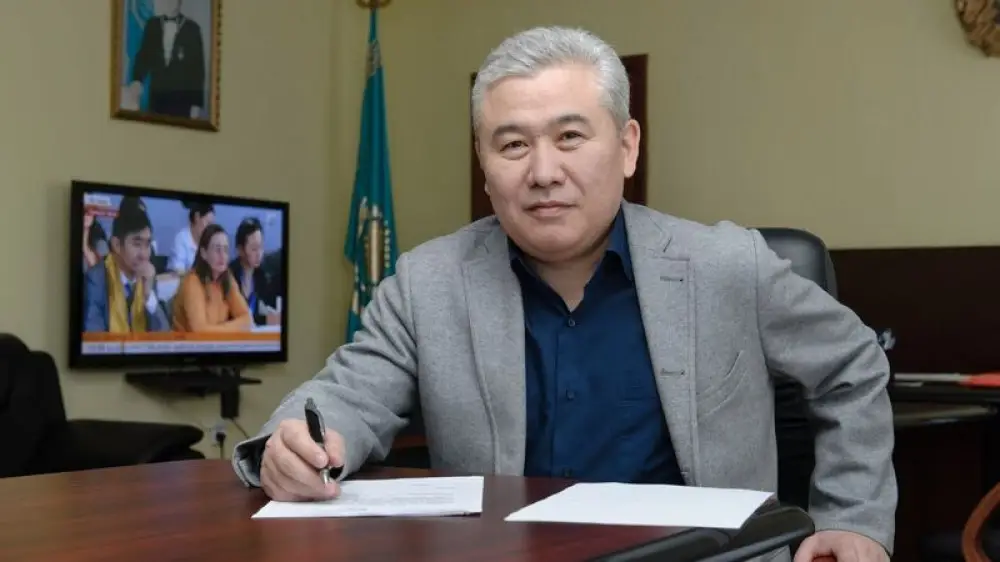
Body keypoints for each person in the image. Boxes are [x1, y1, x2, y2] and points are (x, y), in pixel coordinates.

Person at [232, 26, 896, 562]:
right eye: (512, 145)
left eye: (570, 137)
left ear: (627, 147)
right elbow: (347, 397)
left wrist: (854, 518)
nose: (544, 172)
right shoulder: (428, 283)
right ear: (484, 166)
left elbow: (853, 363)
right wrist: (292, 449)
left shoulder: (727, 266)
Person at [83, 196, 169, 333]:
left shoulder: (148, 277)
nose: (144, 254)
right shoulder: (96, 278)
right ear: (117, 245)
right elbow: (94, 337)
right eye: (137, 244)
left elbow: (164, 336)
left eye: (147, 245)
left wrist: (149, 296)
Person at [125, 0, 206, 119]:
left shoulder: (193, 29)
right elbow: (143, 57)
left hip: (182, 101)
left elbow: (198, 70)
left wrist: (196, 104)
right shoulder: (152, 25)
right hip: (156, 98)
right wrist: (137, 80)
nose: (169, 3)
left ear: (180, 2)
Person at [171, 224, 252, 333]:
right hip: (186, 343)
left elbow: (247, 319)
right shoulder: (192, 282)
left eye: (225, 250)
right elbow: (200, 331)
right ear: (204, 253)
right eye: (217, 250)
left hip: (218, 342)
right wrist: (234, 327)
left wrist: (221, 329)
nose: (222, 256)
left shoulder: (227, 278)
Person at [229, 217, 281, 327]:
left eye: (261, 247)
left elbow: (255, 315)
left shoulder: (261, 276)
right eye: (253, 249)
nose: (259, 254)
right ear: (240, 250)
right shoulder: (229, 276)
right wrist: (265, 320)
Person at [168, 201, 214, 274]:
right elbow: (178, 271)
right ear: (197, 217)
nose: (209, 228)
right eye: (208, 223)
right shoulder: (181, 239)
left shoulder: (208, 242)